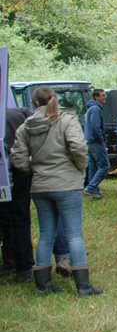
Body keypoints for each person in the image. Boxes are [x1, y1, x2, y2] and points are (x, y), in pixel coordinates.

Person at [10, 86, 103, 296]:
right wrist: (80, 168)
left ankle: (43, 285)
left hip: (40, 185)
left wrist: (32, 170)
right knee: (74, 234)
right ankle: (83, 286)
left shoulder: (26, 125)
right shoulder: (67, 120)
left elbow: (17, 157)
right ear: (55, 99)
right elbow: (78, 147)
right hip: (67, 183)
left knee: (46, 234)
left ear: (35, 102)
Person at [1, 106, 34, 283]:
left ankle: (10, 262)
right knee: (21, 219)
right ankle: (24, 267)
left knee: (6, 220)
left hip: (6, 173)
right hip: (21, 172)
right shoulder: (20, 113)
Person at [83, 88, 109, 200]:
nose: (105, 97)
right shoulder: (96, 109)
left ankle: (94, 190)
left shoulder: (91, 108)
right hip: (95, 142)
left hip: (89, 141)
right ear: (96, 97)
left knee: (93, 166)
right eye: (102, 95)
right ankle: (91, 187)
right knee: (105, 166)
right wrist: (101, 139)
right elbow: (95, 127)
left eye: (105, 95)